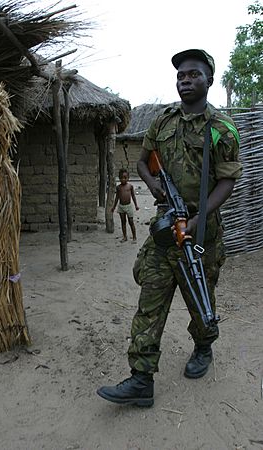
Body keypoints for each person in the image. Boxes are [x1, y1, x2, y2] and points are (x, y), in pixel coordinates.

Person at [97, 49, 242, 407]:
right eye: (181, 76)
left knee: (200, 301)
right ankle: (141, 379)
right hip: (164, 230)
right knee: (151, 301)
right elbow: (143, 163)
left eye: (193, 74)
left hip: (201, 232)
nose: (185, 80)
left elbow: (227, 181)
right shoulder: (162, 122)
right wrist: (156, 185)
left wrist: (198, 217)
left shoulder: (222, 129)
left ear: (209, 79)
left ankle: (203, 346)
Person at [111, 168, 139, 243]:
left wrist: (136, 205)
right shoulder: (118, 187)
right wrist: (113, 207)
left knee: (131, 222)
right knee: (123, 222)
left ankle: (134, 237)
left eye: (125, 178)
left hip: (129, 206)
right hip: (121, 207)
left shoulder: (130, 186)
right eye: (121, 178)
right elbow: (117, 198)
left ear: (128, 178)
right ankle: (124, 237)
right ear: (119, 178)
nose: (123, 179)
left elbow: (133, 196)